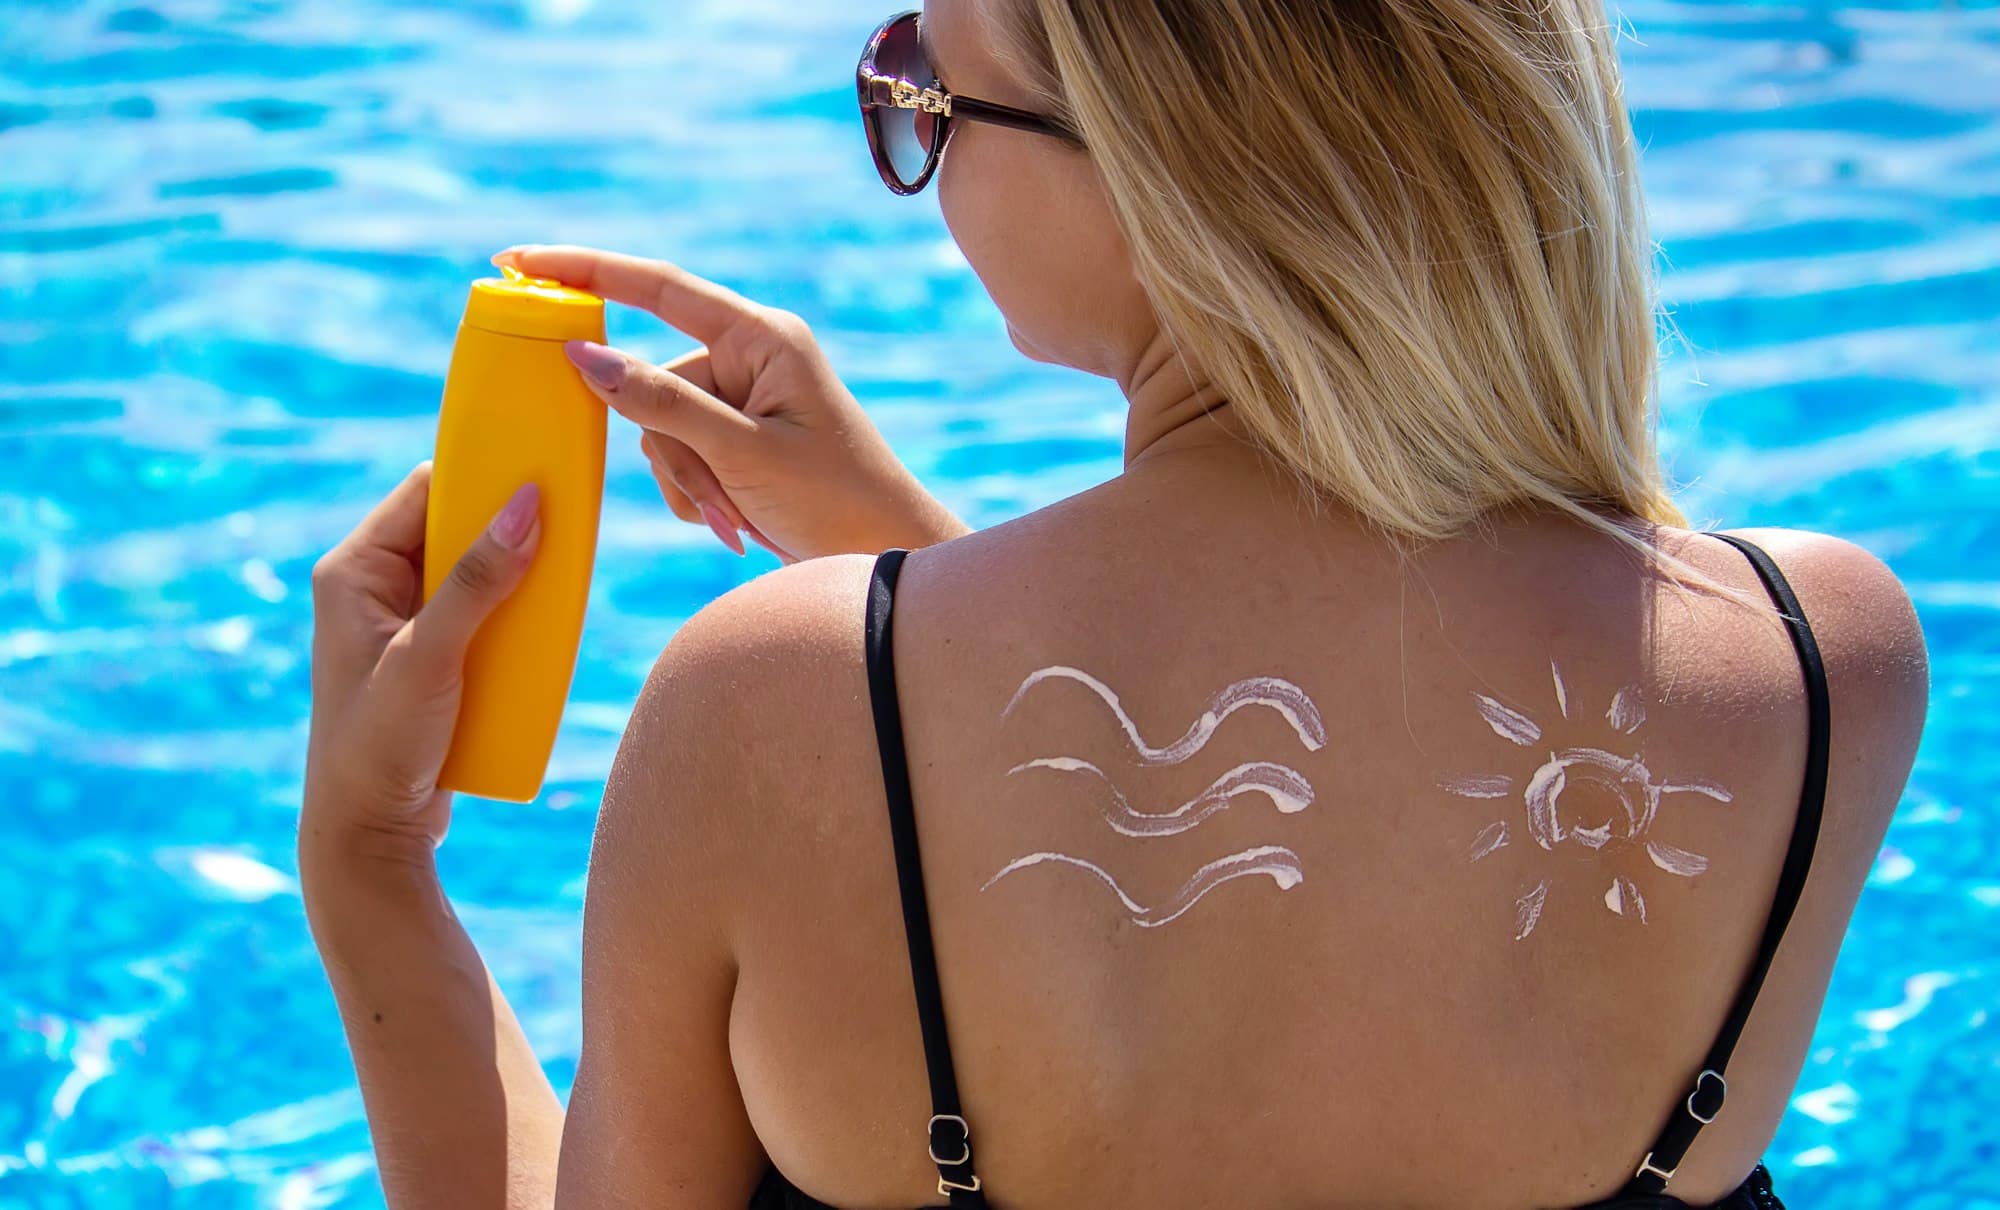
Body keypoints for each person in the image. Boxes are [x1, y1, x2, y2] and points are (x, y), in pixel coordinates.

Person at [299, 1, 1929, 1206]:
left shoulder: (768, 715)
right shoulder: (1819, 669)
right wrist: (902, 565)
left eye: (926, 92)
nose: (907, 142)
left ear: (1162, 178)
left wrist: (369, 863)